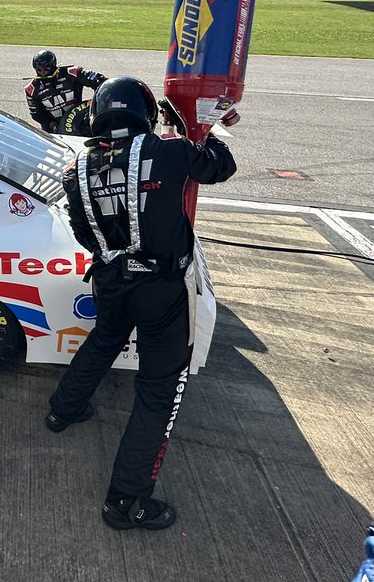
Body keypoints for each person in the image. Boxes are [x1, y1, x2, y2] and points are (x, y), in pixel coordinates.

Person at [44, 77, 236, 531]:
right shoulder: (169, 150)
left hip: (109, 278)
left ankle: (62, 411)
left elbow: (82, 232)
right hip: (161, 289)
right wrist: (196, 130)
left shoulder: (76, 168)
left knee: (104, 338)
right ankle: (125, 501)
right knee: (157, 391)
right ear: (146, 113)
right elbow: (220, 166)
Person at [24, 49, 106, 135]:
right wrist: (51, 124)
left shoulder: (73, 73)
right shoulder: (31, 89)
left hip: (79, 122)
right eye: (38, 70)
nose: (43, 73)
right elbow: (36, 114)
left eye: (46, 69)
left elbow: (100, 81)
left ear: (53, 66)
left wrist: (98, 104)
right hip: (54, 131)